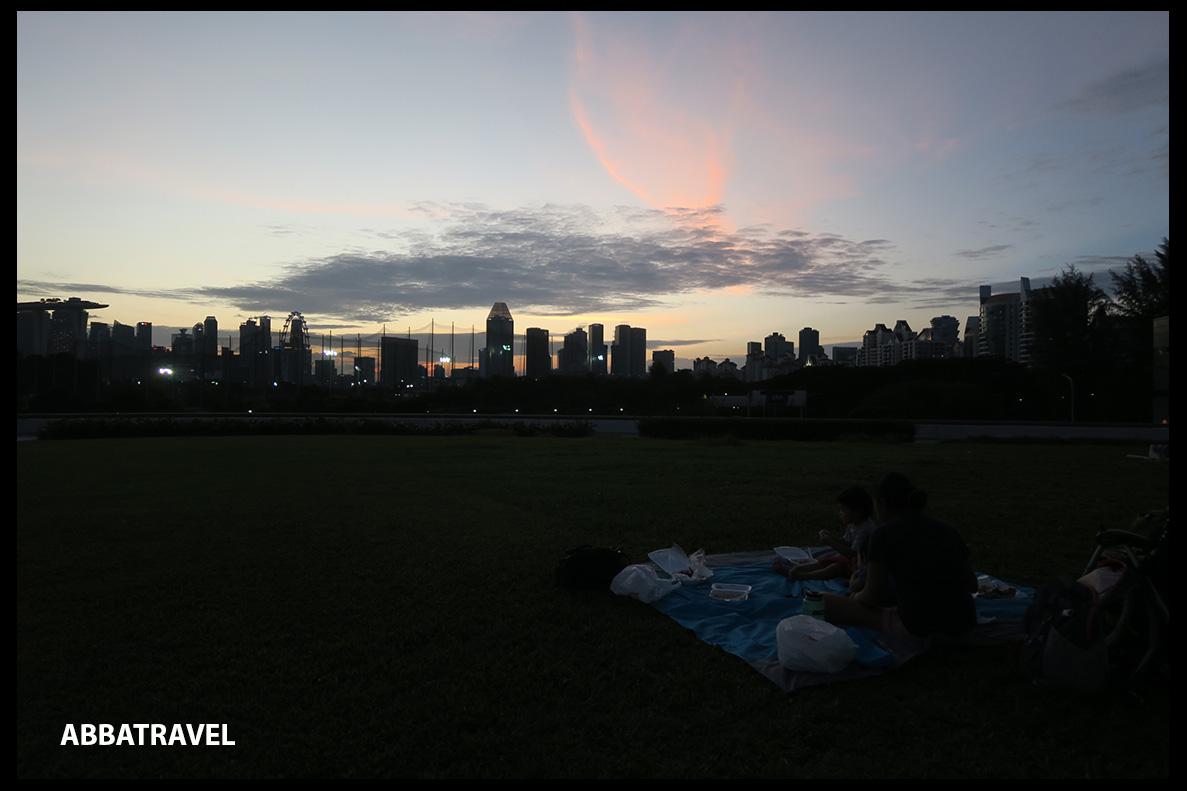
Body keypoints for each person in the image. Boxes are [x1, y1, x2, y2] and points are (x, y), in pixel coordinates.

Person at [821, 473, 977, 642]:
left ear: (882, 503)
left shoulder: (883, 535)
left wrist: (855, 597)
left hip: (919, 627)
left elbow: (870, 596)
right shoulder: (947, 528)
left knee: (824, 600)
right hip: (965, 622)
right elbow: (973, 585)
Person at [773, 486, 877, 582]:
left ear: (857, 512)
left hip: (861, 566)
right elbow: (845, 542)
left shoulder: (865, 529)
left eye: (843, 510)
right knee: (826, 561)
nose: (840, 513)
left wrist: (831, 542)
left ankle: (804, 576)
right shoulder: (853, 524)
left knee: (835, 568)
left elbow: (853, 554)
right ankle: (794, 569)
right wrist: (831, 536)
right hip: (849, 560)